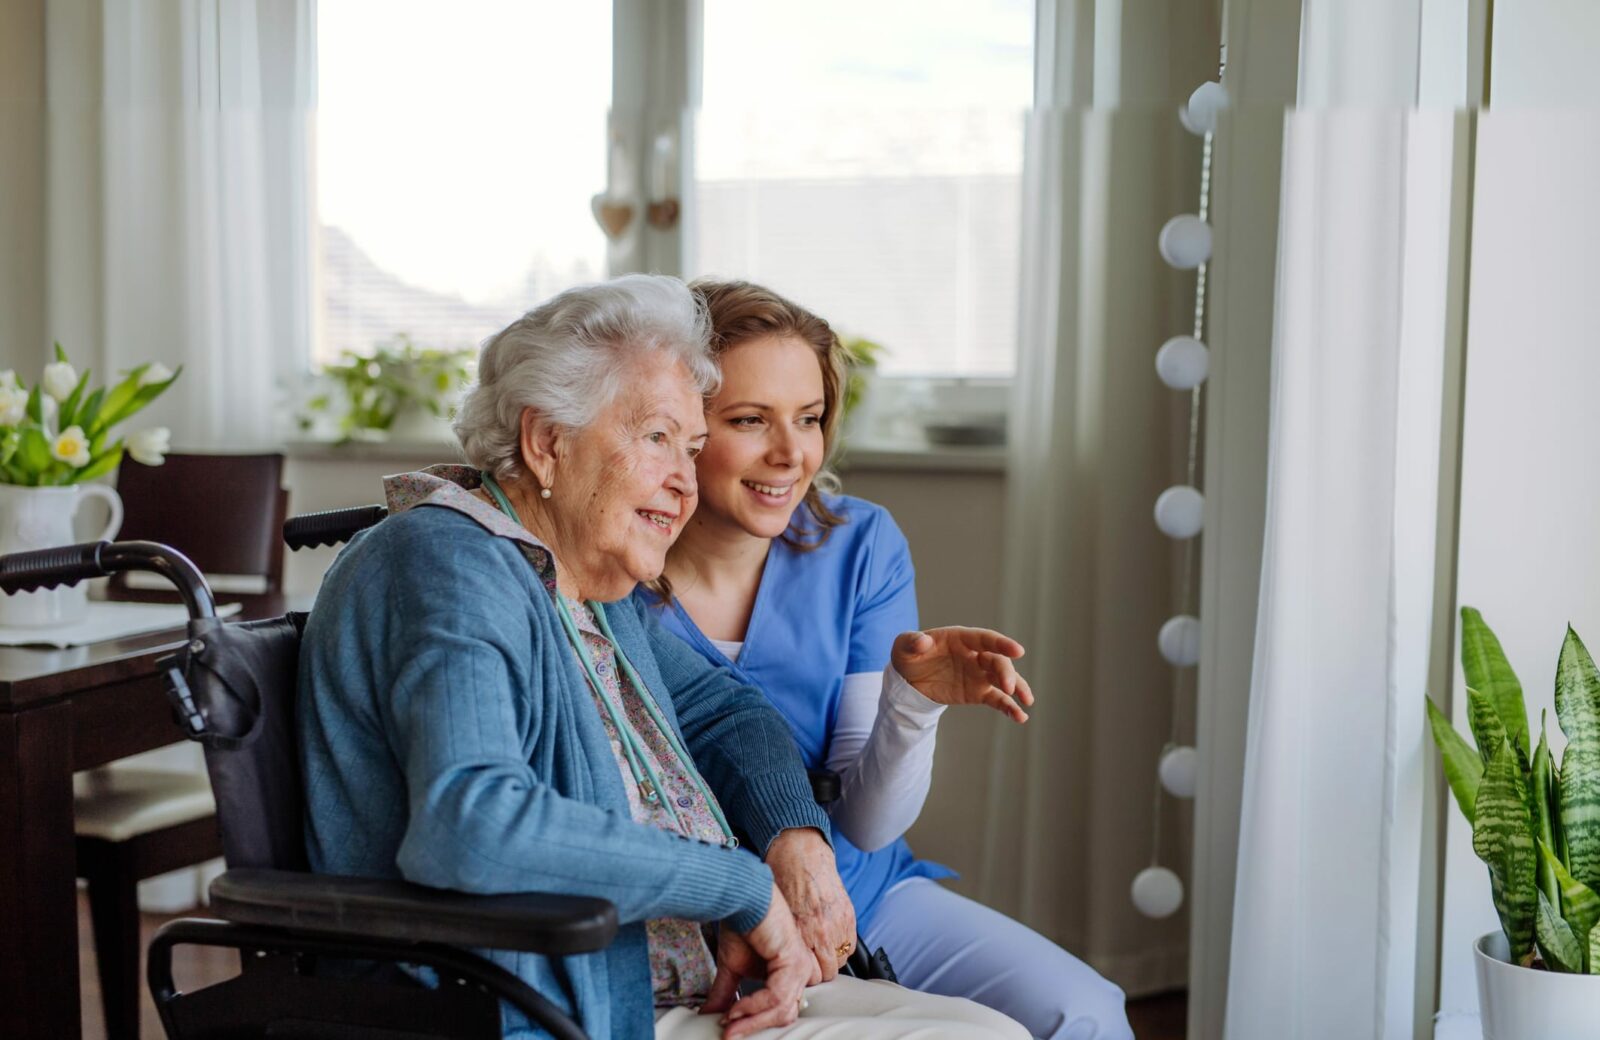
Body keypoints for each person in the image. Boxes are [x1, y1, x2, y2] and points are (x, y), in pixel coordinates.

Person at [297, 275, 1026, 1040]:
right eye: (655, 439)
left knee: (994, 1027)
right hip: (546, 1009)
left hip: (675, 988)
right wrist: (739, 890)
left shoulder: (580, 583)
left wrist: (791, 840)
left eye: (693, 446)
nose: (684, 482)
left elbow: (727, 710)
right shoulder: (449, 563)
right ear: (547, 442)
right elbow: (471, 826)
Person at [634, 279, 1135, 1040]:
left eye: (810, 419)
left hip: (861, 892)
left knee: (1085, 1012)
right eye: (748, 420)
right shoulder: (612, 572)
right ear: (678, 426)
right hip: (700, 925)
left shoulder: (858, 546)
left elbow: (866, 827)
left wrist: (914, 700)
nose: (790, 453)